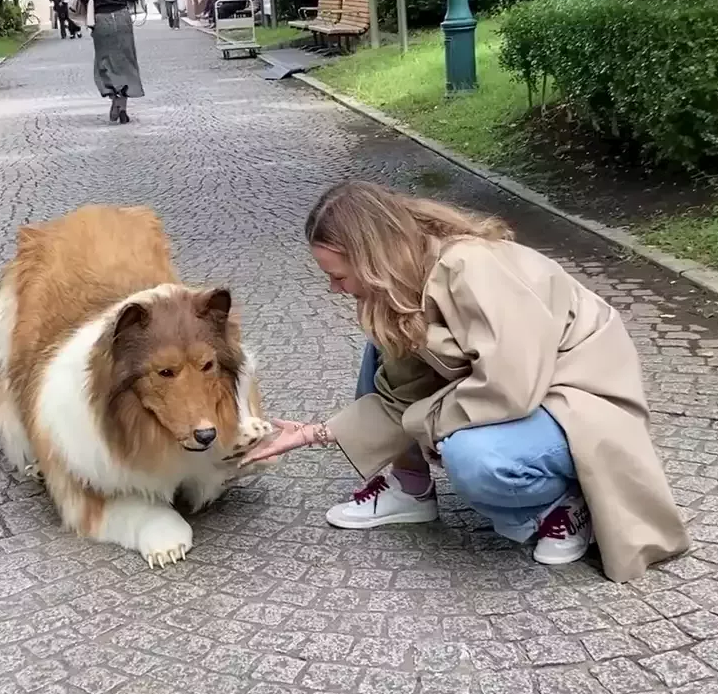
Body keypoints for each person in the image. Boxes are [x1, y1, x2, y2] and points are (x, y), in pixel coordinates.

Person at [242, 181, 691, 583]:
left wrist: (429, 424)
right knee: (385, 343)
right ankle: (409, 486)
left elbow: (510, 387)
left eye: (338, 276)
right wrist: (316, 433)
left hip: (577, 396)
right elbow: (401, 392)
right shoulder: (401, 285)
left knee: (474, 457)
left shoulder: (471, 267)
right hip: (525, 392)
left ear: (372, 258)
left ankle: (566, 504)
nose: (336, 289)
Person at [74, 0, 145, 124]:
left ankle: (115, 99)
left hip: (102, 19)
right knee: (126, 63)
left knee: (105, 62)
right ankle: (123, 107)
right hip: (122, 18)